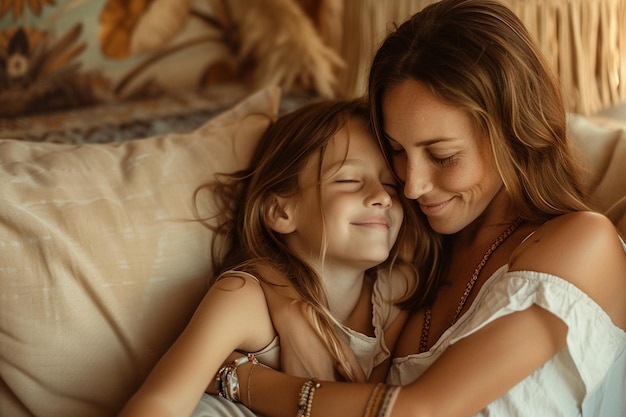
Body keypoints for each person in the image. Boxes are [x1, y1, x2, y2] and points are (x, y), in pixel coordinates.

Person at [207, 1, 626, 416]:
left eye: (442, 156)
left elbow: (419, 411)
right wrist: (286, 299)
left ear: (514, 133)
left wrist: (239, 378)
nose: (411, 185)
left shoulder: (582, 242)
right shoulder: (415, 254)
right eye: (397, 151)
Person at [118, 99, 429, 417]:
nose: (382, 198)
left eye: (391, 185)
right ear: (281, 211)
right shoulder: (242, 297)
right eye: (348, 180)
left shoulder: (394, 296)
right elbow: (159, 403)